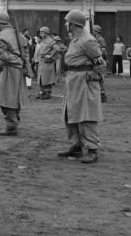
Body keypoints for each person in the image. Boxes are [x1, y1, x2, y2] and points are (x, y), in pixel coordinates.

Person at [58, 10, 104, 164]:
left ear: (73, 24)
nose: (65, 24)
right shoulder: (76, 38)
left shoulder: (87, 40)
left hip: (84, 81)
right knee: (70, 113)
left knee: (86, 115)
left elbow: (99, 62)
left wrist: (96, 78)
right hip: (73, 79)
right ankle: (76, 145)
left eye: (67, 22)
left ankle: (92, 150)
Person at [0, 11, 29, 135]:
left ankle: (11, 126)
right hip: (18, 68)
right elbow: (25, 50)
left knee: (6, 98)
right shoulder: (16, 33)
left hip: (10, 68)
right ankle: (14, 122)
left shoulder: (2, 35)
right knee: (14, 97)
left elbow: (3, 54)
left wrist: (1, 60)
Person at [36, 27, 59, 99]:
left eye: (42, 32)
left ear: (46, 33)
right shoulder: (43, 41)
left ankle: (47, 93)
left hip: (47, 62)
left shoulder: (51, 41)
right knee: (41, 78)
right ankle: (42, 92)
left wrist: (50, 56)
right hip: (42, 62)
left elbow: (57, 49)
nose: (40, 34)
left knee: (47, 78)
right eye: (40, 32)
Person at [92, 25, 108, 102]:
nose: (93, 32)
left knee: (100, 78)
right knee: (97, 77)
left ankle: (102, 95)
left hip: (99, 60)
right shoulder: (95, 38)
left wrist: (102, 59)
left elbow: (103, 50)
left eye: (94, 31)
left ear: (96, 31)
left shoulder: (100, 39)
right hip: (96, 60)